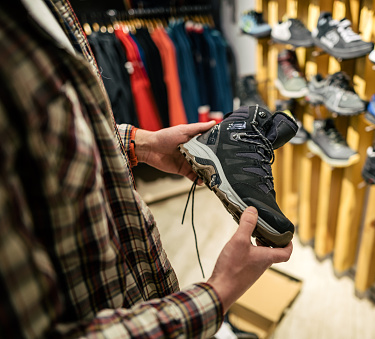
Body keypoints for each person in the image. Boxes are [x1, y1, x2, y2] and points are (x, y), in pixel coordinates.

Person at [0, 1, 292, 338]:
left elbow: (57, 140)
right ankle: (230, 139)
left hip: (135, 287)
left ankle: (228, 140)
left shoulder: (52, 7)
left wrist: (139, 143)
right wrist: (218, 293)